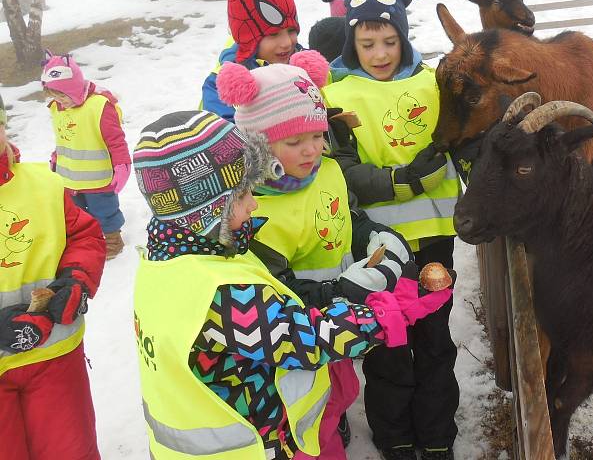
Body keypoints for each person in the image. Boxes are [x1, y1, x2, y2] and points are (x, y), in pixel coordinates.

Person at [132, 109, 453, 460]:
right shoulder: (219, 294)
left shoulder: (165, 261)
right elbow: (307, 339)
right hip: (249, 449)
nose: (253, 203)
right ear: (206, 212)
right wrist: (386, 314)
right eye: (240, 198)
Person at [216, 54, 417, 459]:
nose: (311, 150)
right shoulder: (252, 213)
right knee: (313, 413)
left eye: (317, 136)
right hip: (300, 343)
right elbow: (277, 293)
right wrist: (342, 290)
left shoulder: (327, 170)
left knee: (340, 389)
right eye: (293, 142)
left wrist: (375, 235)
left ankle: (336, 417)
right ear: (257, 146)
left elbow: (345, 216)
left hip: (340, 322)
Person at [323, 0, 462, 460]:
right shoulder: (337, 94)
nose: (379, 53)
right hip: (378, 246)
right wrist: (401, 179)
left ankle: (438, 433)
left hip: (435, 242)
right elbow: (340, 170)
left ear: (404, 39)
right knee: (386, 338)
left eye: (389, 41)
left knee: (434, 339)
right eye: (367, 44)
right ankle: (395, 436)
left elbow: (464, 140)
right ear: (351, 43)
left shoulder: (434, 84)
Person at [0, 91, 106, 460]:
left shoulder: (43, 185)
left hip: (54, 357)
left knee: (70, 450)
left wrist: (76, 279)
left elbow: (83, 235)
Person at [41, 51, 130, 260]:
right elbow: (64, 139)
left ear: (74, 87)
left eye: (63, 94)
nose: (59, 100)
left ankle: (112, 241)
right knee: (77, 214)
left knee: (105, 211)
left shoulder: (99, 107)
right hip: (69, 177)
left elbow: (116, 141)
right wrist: (56, 159)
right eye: (53, 95)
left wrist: (122, 165)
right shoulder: (57, 107)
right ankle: (86, 240)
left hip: (97, 177)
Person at [201, 0, 302, 121]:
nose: (287, 42)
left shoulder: (302, 64)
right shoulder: (220, 88)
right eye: (273, 34)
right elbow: (227, 139)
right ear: (247, 39)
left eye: (291, 30)